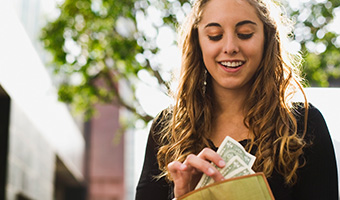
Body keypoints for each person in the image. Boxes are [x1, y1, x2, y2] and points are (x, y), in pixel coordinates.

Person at [136, 0, 339, 199]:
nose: (230, 47)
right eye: (215, 36)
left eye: (245, 34)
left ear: (267, 39)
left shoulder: (304, 125)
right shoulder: (168, 128)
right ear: (198, 41)